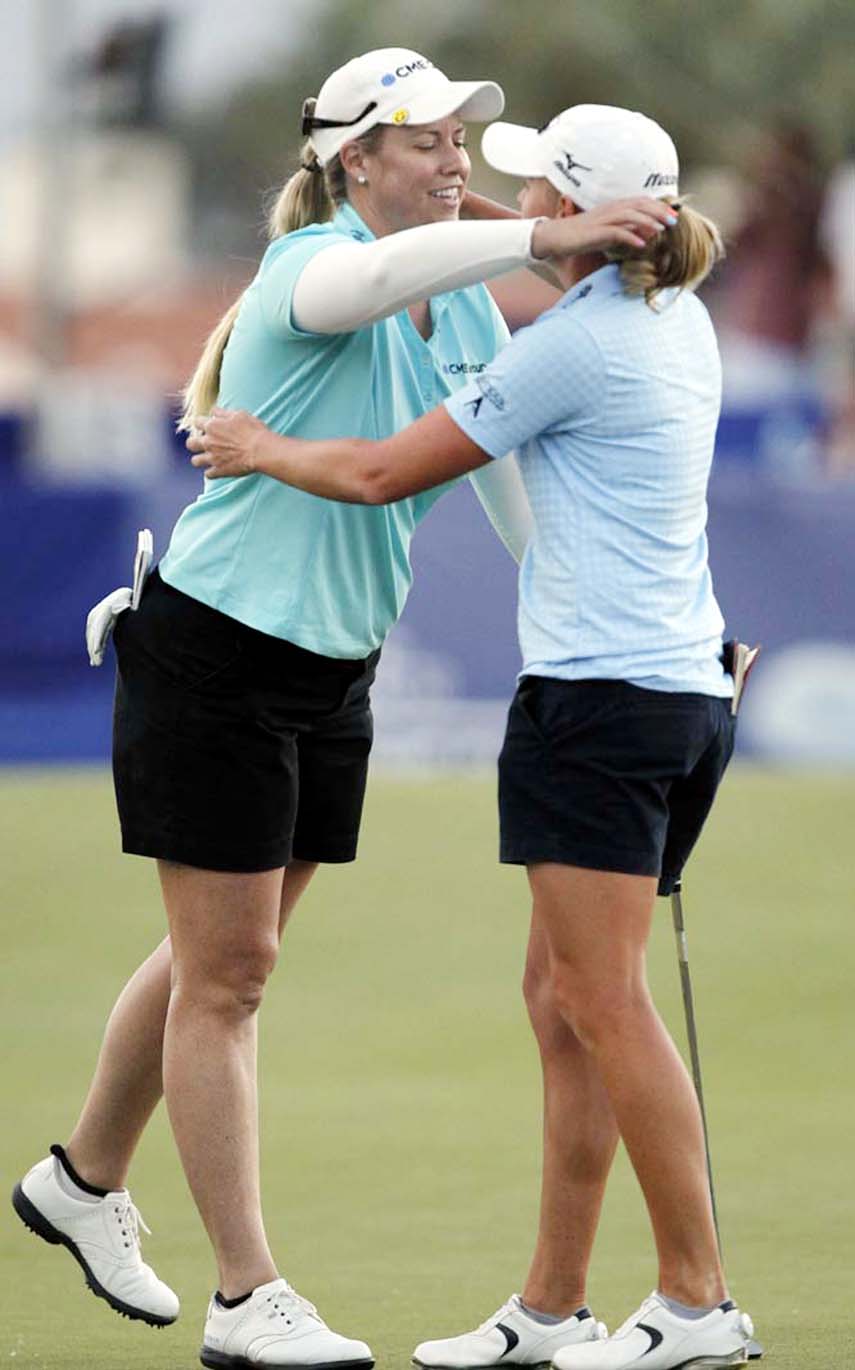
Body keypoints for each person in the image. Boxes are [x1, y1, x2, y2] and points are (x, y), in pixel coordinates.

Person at [12, 46, 673, 1370]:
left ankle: (81, 1179)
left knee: (223, 957)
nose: (449, 163)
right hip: (214, 653)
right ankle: (246, 1297)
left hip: (330, 674)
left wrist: (622, 631)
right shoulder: (303, 271)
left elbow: (512, 503)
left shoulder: (470, 311)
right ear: (350, 159)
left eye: (456, 143)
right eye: (423, 142)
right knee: (233, 975)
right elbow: (373, 277)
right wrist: (537, 231)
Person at [188, 105, 757, 1370]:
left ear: (589, 215)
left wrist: (255, 443)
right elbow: (512, 241)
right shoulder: (677, 312)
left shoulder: (574, 348)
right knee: (562, 1002)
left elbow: (388, 471)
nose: (480, 196)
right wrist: (547, 226)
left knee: (601, 1001)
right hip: (677, 691)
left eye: (533, 195)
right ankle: (551, 1304)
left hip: (601, 703)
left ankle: (696, 1295)